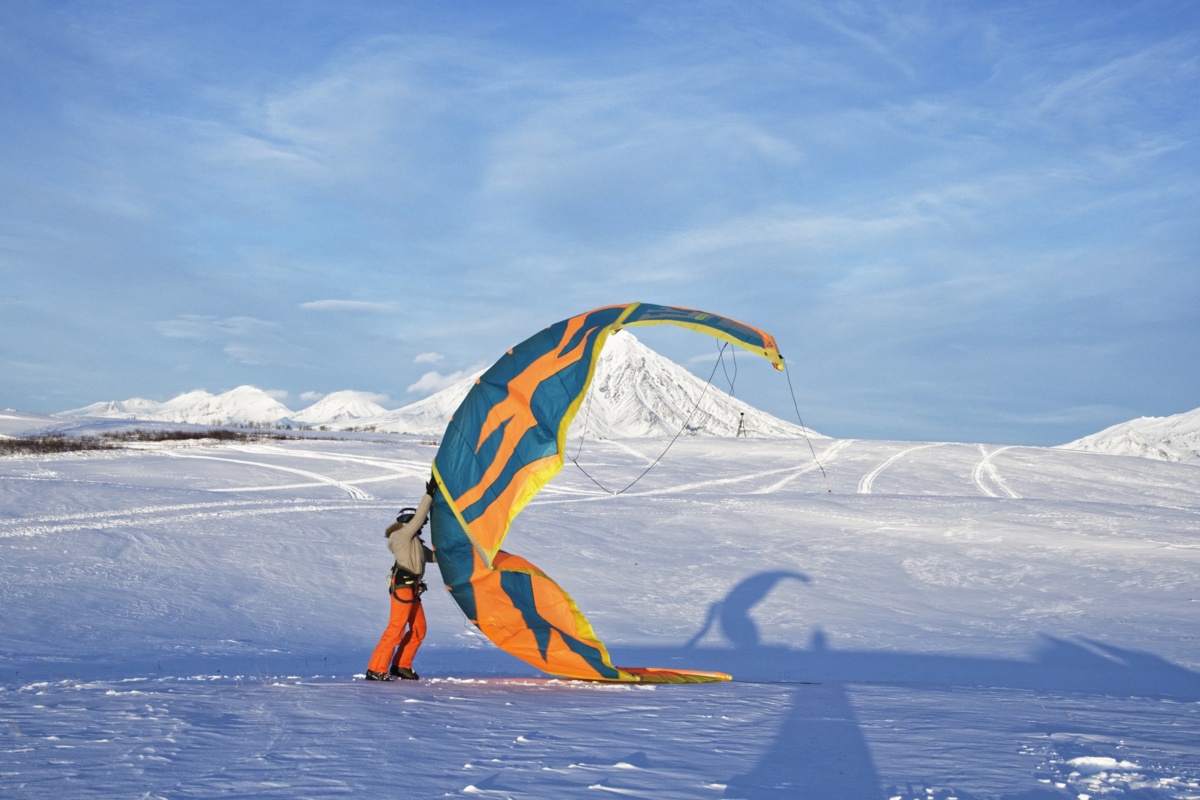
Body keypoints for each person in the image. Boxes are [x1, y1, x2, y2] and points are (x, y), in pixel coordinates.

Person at [365, 475, 438, 681]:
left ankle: (401, 666)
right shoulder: (402, 536)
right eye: (419, 522)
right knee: (396, 630)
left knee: (419, 629)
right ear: (407, 522)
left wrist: (456, 555)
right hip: (403, 588)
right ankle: (376, 669)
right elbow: (418, 517)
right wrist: (429, 495)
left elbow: (432, 557)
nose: (422, 524)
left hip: (413, 590)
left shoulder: (413, 542)